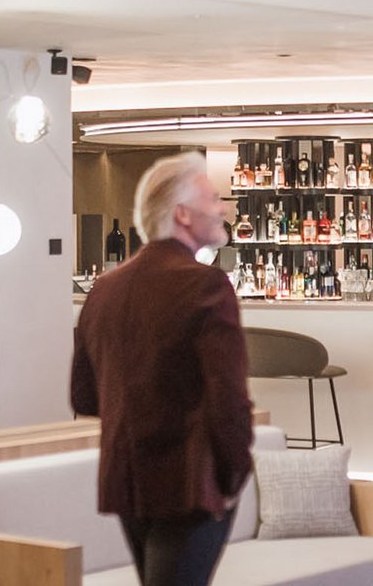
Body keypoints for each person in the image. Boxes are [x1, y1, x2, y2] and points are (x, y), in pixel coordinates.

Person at [71, 152, 253, 586]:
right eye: (213, 198)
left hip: (128, 481)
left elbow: (84, 396)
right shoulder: (206, 284)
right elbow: (228, 399)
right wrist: (235, 474)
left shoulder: (104, 289)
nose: (223, 207)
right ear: (182, 213)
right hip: (190, 482)